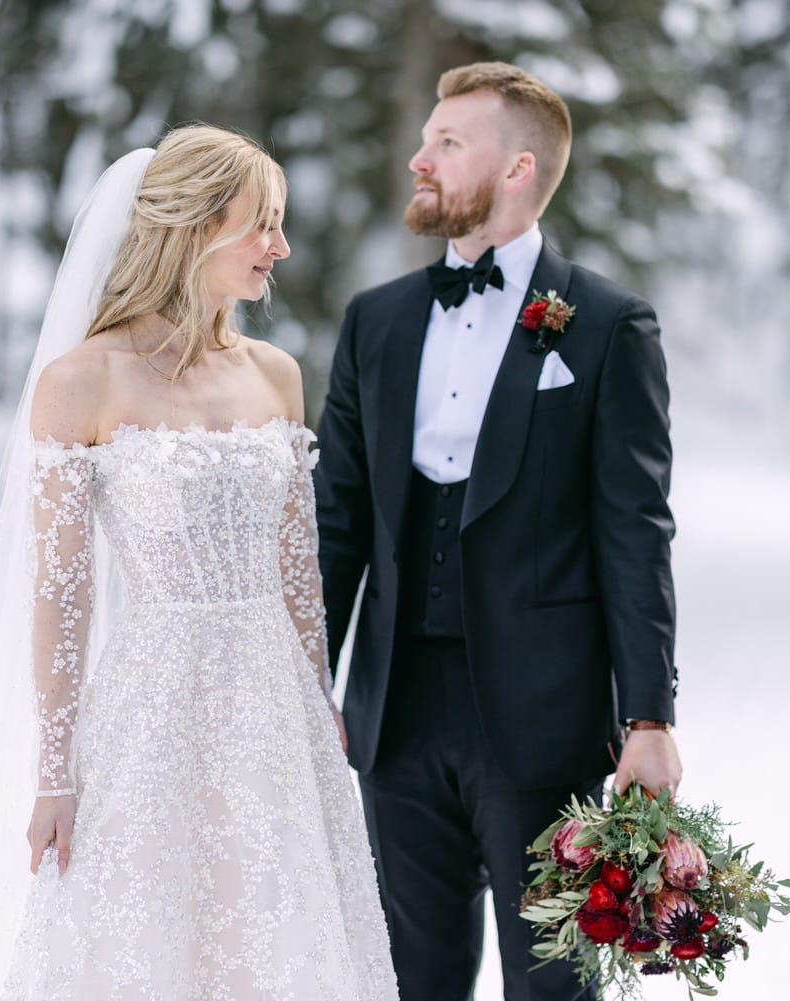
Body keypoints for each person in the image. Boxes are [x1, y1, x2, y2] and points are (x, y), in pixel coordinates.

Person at [0, 125, 396, 1001]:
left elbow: (299, 569)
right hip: (153, 709)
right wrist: (54, 773)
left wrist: (317, 698)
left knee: (280, 943)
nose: (280, 248)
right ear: (195, 225)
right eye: (265, 224)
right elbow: (63, 595)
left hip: (278, 720)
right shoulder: (80, 381)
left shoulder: (279, 376)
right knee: (152, 941)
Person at [314, 63, 682, 1001]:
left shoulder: (605, 326)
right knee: (410, 980)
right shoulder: (375, 323)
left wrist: (648, 717)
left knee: (554, 985)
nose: (418, 158)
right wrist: (300, 675)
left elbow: (634, 527)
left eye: (447, 143)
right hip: (393, 718)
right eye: (425, 137)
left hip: (544, 720)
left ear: (517, 168)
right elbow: (339, 520)